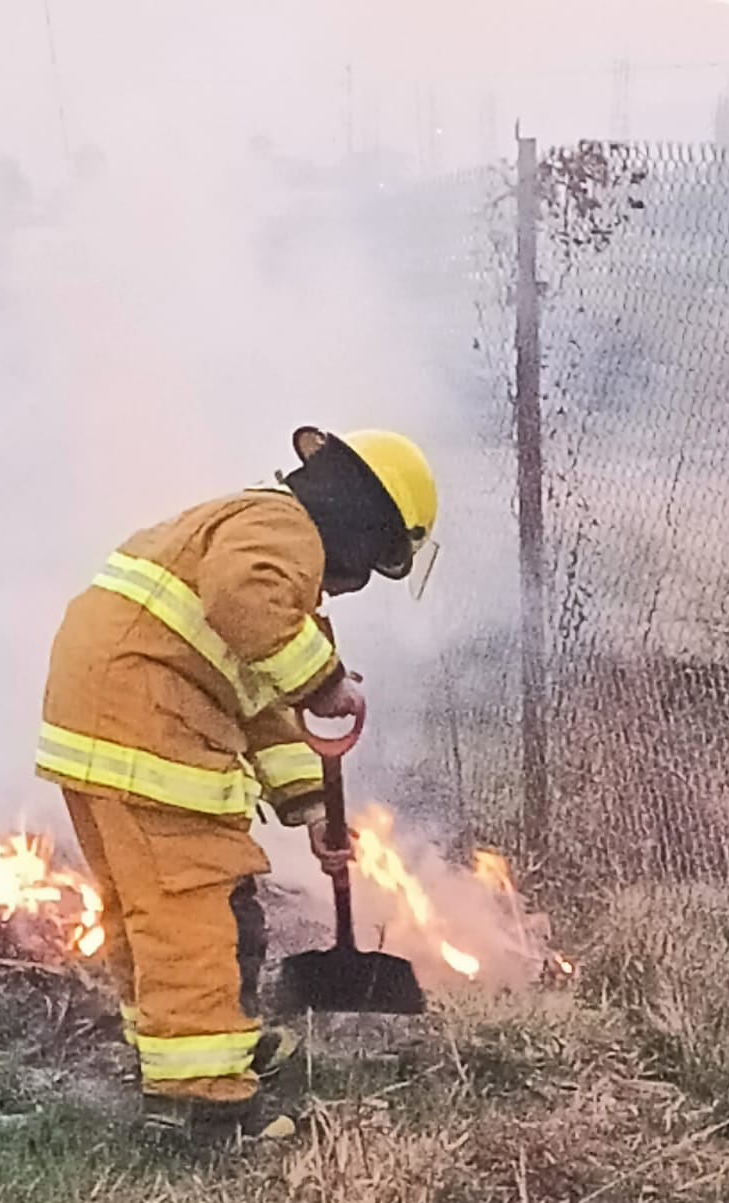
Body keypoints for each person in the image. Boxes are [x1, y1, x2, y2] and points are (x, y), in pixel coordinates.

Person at [36, 427, 438, 1146]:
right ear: (363, 520)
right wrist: (327, 681)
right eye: (376, 561)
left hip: (105, 722)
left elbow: (263, 704)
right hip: (150, 728)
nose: (357, 580)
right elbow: (246, 604)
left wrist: (313, 807)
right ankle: (204, 1107)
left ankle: (189, 1043)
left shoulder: (258, 550)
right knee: (196, 913)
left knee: (154, 914)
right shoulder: (279, 531)